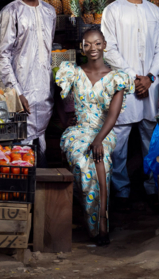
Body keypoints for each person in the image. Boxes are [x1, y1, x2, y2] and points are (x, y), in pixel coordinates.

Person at [56, 28, 134, 245]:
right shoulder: (72, 72)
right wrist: (64, 122)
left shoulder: (117, 78)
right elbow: (56, 97)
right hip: (78, 131)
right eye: (88, 44)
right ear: (82, 47)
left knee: (101, 160)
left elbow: (114, 114)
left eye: (98, 43)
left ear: (104, 45)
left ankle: (101, 221)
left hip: (104, 131)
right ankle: (91, 217)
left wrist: (99, 139)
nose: (93, 48)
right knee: (83, 161)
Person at [101, 0, 159, 209]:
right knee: (119, 142)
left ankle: (152, 189)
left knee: (150, 140)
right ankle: (121, 192)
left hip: (149, 85)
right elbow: (109, 50)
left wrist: (149, 77)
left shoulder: (154, 11)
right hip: (124, 85)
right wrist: (133, 77)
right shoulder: (113, 11)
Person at [0, 0, 56, 166]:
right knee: (21, 145)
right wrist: (16, 92)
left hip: (44, 89)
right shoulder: (11, 12)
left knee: (41, 139)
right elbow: (1, 56)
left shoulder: (50, 12)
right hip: (22, 88)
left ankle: (40, 189)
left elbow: (47, 50)